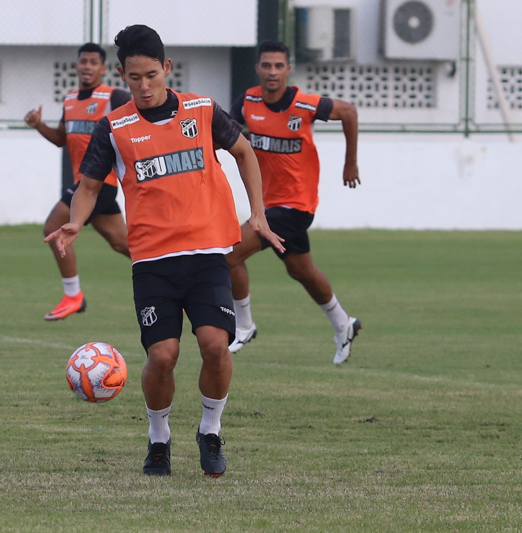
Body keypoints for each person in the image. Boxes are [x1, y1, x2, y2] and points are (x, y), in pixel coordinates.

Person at [46, 25, 283, 477]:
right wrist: (76, 220)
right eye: (134, 78)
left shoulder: (202, 110)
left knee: (216, 345)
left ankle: (210, 431)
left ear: (167, 68)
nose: (144, 86)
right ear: (122, 74)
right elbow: (90, 185)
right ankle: (159, 440)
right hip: (153, 261)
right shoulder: (114, 127)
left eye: (152, 75)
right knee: (163, 356)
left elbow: (245, 153)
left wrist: (258, 213)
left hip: (208, 254)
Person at [226, 40, 362, 364]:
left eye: (278, 66)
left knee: (229, 254)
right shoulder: (247, 102)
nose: (272, 72)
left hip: (296, 206)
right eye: (266, 65)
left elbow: (349, 111)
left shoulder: (304, 105)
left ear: (288, 69)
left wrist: (350, 162)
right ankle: (344, 324)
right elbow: (225, 131)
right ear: (257, 68)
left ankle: (243, 325)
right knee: (302, 271)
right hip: (269, 206)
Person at [25, 43, 132, 321]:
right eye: (83, 61)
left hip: (100, 183)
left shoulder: (115, 97)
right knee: (125, 245)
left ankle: (73, 296)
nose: (87, 66)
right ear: (76, 66)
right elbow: (62, 139)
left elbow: (136, 122)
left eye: (93, 62)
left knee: (53, 227)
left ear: (104, 69)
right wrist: (39, 125)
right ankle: (174, 276)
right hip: (85, 186)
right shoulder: (70, 100)